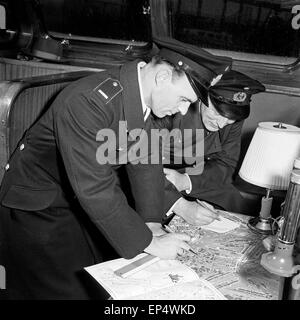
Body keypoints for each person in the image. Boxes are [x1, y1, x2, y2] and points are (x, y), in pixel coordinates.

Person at [0, 39, 230, 299]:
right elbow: (94, 188)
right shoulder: (88, 101)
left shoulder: (141, 100)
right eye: (183, 99)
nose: (182, 109)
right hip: (38, 207)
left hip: (76, 205)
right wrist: (150, 242)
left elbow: (147, 163)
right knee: (69, 293)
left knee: (103, 282)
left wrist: (152, 223)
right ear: (163, 76)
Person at [161, 69, 266, 226]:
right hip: (158, 175)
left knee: (237, 209)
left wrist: (187, 182)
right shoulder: (173, 108)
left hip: (197, 177)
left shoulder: (232, 118)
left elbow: (226, 163)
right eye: (217, 113)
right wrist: (180, 204)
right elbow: (140, 166)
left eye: (229, 119)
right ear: (203, 96)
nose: (221, 124)